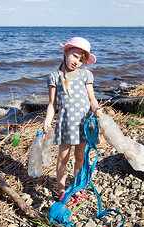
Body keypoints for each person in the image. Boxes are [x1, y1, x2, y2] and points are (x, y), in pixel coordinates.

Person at [43, 37, 101, 206]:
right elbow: (52, 104)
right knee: (62, 158)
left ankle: (77, 188)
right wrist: (47, 122)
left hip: (83, 124)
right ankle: (62, 189)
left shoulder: (86, 75)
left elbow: (92, 98)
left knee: (80, 157)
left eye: (81, 59)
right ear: (66, 52)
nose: (77, 62)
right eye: (75, 56)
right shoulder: (54, 77)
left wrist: (96, 109)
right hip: (65, 124)